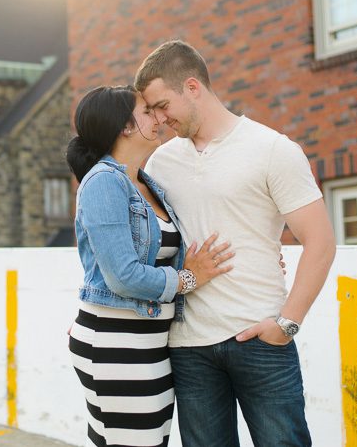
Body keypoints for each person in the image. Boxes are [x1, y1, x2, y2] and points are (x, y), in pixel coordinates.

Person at [135, 40, 337, 446]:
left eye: (161, 105)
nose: (157, 119)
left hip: (260, 338)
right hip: (188, 347)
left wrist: (286, 324)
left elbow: (321, 241)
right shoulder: (160, 163)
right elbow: (145, 247)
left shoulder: (272, 149)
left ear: (192, 87)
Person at [65, 85, 234, 447]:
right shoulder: (103, 182)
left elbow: (173, 246)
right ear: (125, 126)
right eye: (147, 111)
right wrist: (189, 278)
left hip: (150, 344)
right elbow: (122, 275)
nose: (159, 117)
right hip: (116, 343)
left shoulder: (145, 182)